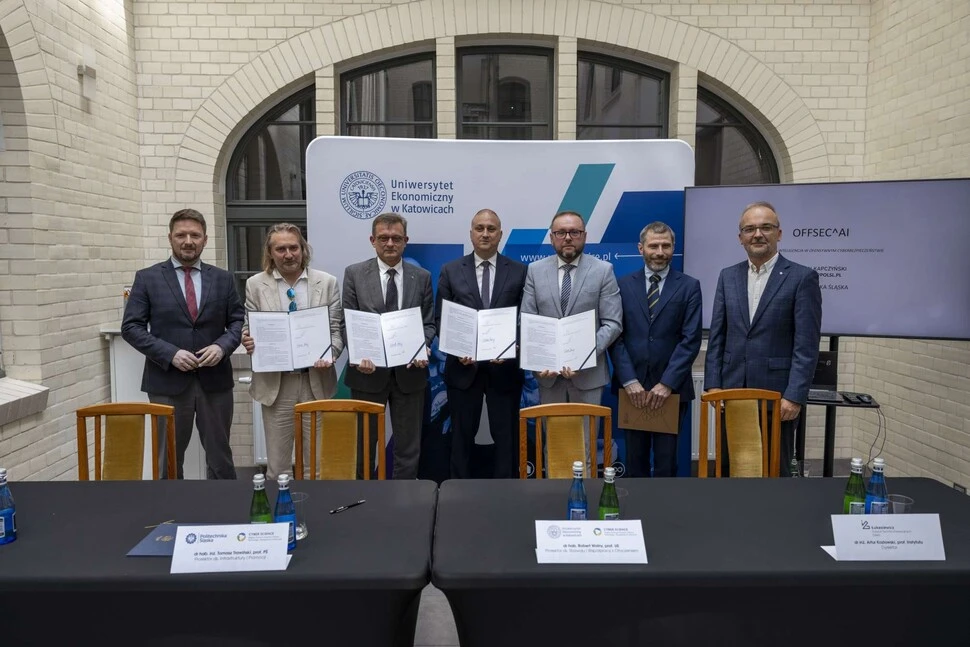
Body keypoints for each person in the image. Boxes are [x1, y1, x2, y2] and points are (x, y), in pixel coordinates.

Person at [122, 208, 244, 479]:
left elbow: (237, 322)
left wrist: (222, 346)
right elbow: (131, 327)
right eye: (181, 235)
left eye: (195, 235)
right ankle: (171, 515)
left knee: (220, 459)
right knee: (169, 461)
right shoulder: (147, 278)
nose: (188, 240)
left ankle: (223, 514)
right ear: (170, 238)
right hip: (167, 383)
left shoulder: (223, 279)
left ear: (205, 239)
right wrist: (170, 353)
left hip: (215, 383)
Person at [704, 201, 822, 476]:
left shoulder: (802, 278)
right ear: (740, 237)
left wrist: (794, 396)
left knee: (774, 471)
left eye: (765, 227)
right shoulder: (727, 276)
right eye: (750, 229)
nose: (757, 234)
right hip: (732, 392)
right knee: (730, 467)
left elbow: (806, 345)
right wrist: (713, 385)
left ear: (779, 233)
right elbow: (717, 335)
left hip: (777, 397)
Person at [241, 223, 344, 480]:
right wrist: (248, 340)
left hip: (315, 382)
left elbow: (335, 331)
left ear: (303, 249)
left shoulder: (327, 282)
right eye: (281, 248)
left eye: (294, 247)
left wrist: (330, 353)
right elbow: (248, 327)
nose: (288, 254)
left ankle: (316, 515)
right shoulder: (255, 284)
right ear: (270, 252)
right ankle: (281, 518)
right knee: (278, 467)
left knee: (316, 467)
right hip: (276, 385)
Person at [436, 209, 528, 479]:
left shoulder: (520, 271)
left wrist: (513, 346)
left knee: (506, 438)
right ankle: (459, 494)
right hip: (464, 369)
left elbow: (526, 316)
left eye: (491, 228)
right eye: (479, 228)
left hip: (505, 370)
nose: (485, 233)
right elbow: (442, 317)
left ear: (500, 234)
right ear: (471, 233)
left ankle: (506, 494)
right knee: (461, 437)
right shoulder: (451, 270)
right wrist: (456, 348)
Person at [342, 213, 435, 479]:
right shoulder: (355, 274)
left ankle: (402, 501)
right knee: (364, 445)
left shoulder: (422, 277)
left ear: (406, 241)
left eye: (396, 238)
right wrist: (359, 355)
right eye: (383, 238)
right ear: (373, 240)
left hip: (410, 374)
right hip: (367, 374)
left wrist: (422, 347)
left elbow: (428, 323)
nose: (390, 243)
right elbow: (347, 321)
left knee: (408, 447)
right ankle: (364, 497)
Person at [610, 222, 702, 477]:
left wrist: (666, 383)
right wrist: (629, 381)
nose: (660, 251)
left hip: (671, 391)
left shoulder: (689, 286)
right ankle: (636, 515)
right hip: (632, 390)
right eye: (653, 245)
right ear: (641, 248)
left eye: (666, 246)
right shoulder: (623, 285)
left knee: (666, 463)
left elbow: (690, 339)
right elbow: (615, 337)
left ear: (673, 248)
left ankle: (663, 514)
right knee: (635, 462)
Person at [521, 211, 622, 405]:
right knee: (553, 435)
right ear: (551, 238)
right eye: (561, 233)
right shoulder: (535, 270)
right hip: (548, 374)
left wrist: (581, 356)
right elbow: (528, 320)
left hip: (588, 375)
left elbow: (612, 323)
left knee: (586, 435)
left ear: (584, 236)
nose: (567, 238)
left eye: (574, 232)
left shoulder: (603, 270)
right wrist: (540, 361)